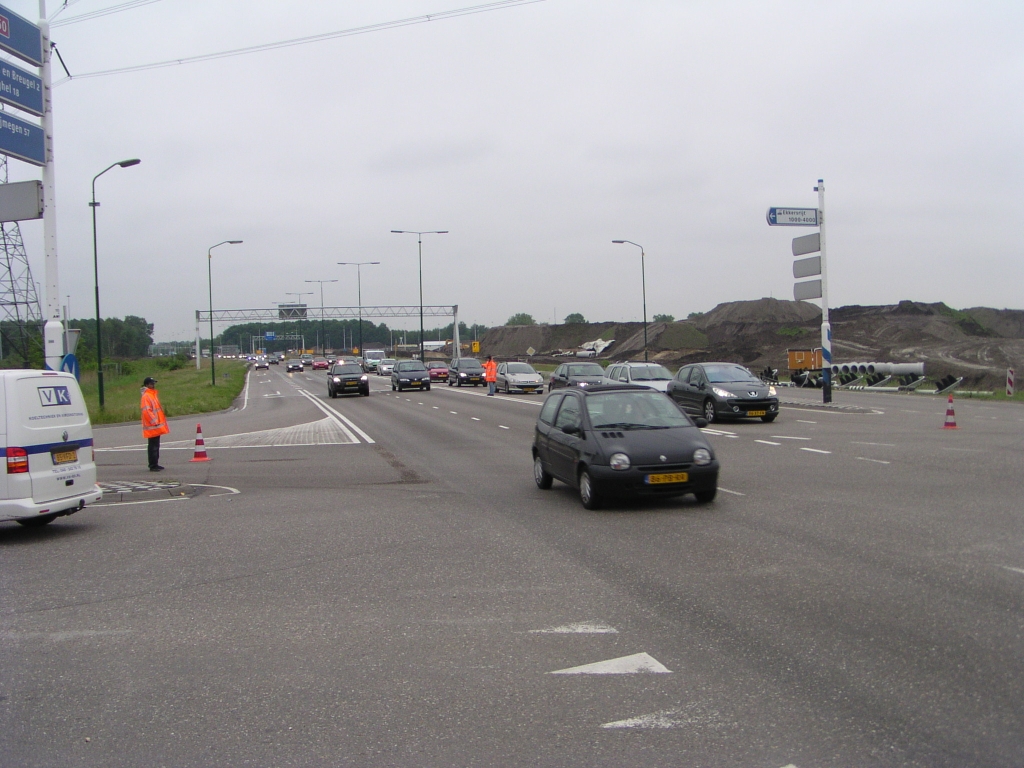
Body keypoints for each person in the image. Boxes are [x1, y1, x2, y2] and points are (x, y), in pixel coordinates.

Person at [140, 376, 169, 471]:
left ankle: (155, 463)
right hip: (152, 426)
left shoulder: (152, 394)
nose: (153, 385)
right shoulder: (146, 396)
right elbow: (146, 411)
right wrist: (155, 421)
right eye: (151, 383)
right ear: (147, 385)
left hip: (156, 426)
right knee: (153, 446)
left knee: (156, 445)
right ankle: (152, 465)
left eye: (153, 383)